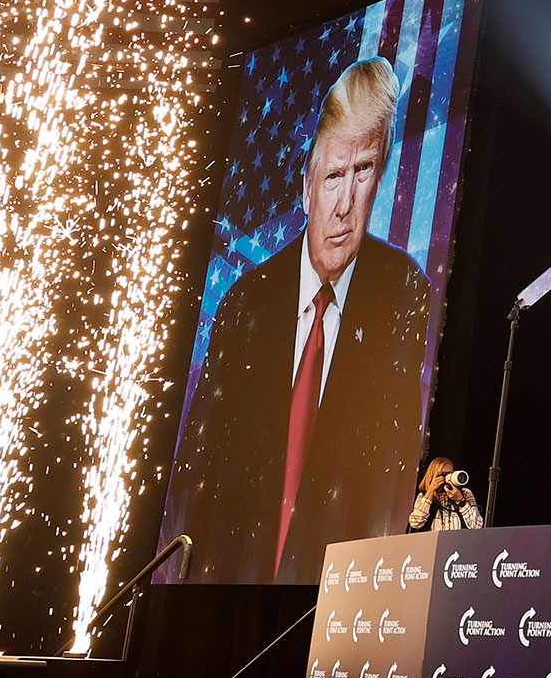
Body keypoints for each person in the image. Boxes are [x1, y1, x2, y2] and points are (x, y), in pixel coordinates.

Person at [169, 57, 434, 583]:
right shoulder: (244, 303)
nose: (345, 204)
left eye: (364, 173)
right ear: (306, 184)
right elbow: (194, 481)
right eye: (335, 175)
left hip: (338, 604)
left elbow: (394, 473)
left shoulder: (404, 291)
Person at [407, 457, 483, 533]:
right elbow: (415, 523)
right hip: (433, 543)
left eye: (451, 473)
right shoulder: (423, 496)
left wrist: (460, 500)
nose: (448, 478)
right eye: (443, 474)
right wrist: (430, 491)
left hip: (459, 543)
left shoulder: (465, 493)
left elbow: (477, 526)